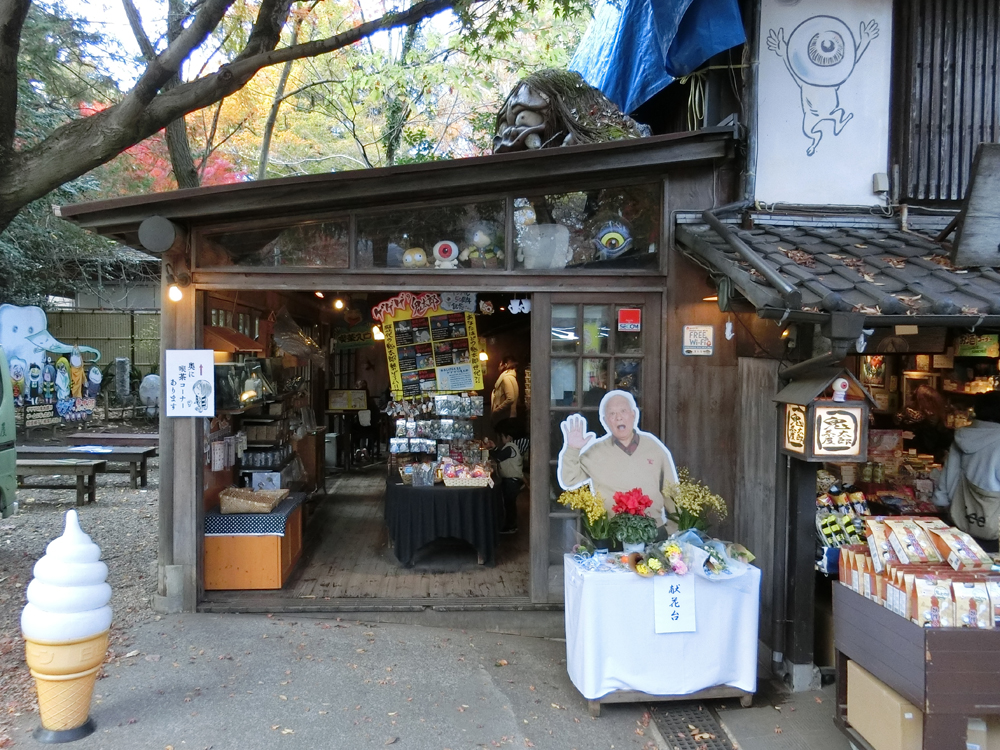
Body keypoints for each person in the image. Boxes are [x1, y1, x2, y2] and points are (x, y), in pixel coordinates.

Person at [558, 390, 678, 526]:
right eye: (612, 414)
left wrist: (674, 531)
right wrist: (573, 449)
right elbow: (569, 479)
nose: (618, 418)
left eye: (623, 411)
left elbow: (671, 493)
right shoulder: (595, 452)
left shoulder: (654, 448)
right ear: (605, 421)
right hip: (612, 534)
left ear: (633, 414)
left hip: (654, 530)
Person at [933, 391, 1000, 553]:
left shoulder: (962, 437)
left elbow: (947, 478)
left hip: (959, 521)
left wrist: (942, 502)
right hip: (993, 529)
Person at [494, 418, 524, 534]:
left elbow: (498, 456)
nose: (501, 439)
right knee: (509, 504)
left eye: (502, 436)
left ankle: (511, 526)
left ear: (508, 437)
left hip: (511, 481)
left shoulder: (510, 447)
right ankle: (510, 524)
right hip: (512, 480)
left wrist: (491, 449)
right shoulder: (511, 447)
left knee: (509, 504)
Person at [491, 356, 519, 425]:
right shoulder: (511, 377)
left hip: (504, 417)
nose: (498, 367)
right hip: (507, 417)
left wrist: (496, 411)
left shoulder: (506, 378)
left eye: (500, 364)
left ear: (505, 365)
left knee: (504, 434)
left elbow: (510, 398)